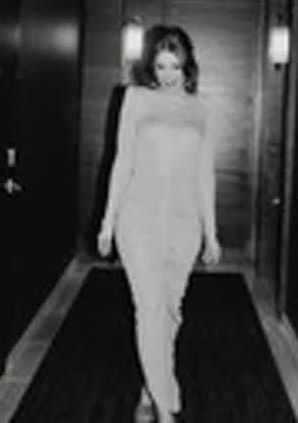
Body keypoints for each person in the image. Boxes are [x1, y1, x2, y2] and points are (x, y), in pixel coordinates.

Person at [97, 25, 221, 423]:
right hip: (138, 217)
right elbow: (122, 161)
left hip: (184, 221)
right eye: (161, 66)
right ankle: (166, 410)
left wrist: (211, 232)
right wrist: (108, 221)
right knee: (149, 308)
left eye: (175, 66)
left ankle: (152, 388)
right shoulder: (135, 98)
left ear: (188, 66)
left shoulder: (203, 108)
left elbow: (205, 174)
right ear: (151, 66)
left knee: (170, 310)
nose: (167, 75)